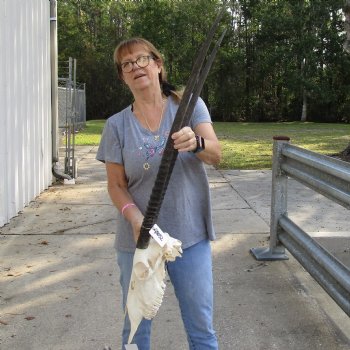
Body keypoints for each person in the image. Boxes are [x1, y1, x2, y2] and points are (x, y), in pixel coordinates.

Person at [96, 37, 221, 350]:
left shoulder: (189, 105)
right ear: (122, 76)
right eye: (127, 63)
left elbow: (216, 154)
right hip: (138, 240)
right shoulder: (116, 126)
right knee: (136, 330)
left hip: (189, 234)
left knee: (201, 328)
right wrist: (134, 217)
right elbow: (116, 185)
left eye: (142, 59)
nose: (136, 66)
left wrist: (197, 143)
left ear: (158, 64)